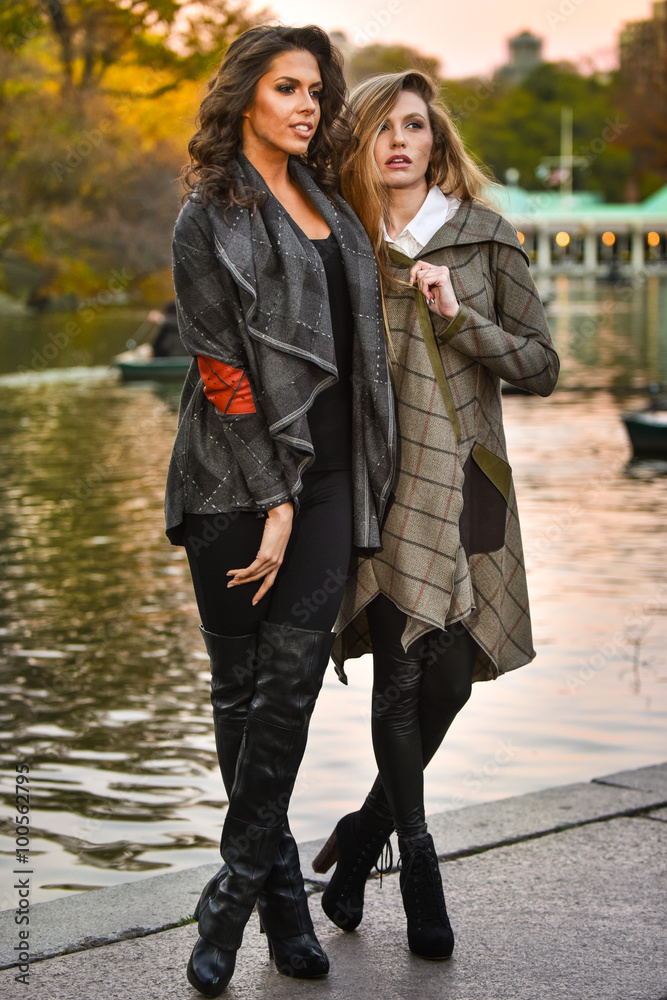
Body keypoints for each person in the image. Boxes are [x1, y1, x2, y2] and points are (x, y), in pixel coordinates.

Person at [164, 26, 395, 996]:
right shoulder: (205, 218)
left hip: (333, 476)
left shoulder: (335, 210)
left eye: (315, 89)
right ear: (244, 98)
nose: (306, 104)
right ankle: (286, 905)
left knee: (288, 693)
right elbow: (220, 369)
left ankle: (231, 895)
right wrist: (270, 498)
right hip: (229, 479)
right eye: (285, 87)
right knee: (239, 695)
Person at [312, 70, 559, 961]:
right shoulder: (338, 244)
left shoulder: (484, 237)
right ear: (360, 146)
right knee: (401, 678)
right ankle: (417, 862)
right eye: (381, 127)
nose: (398, 142)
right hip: (376, 487)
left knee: (448, 683)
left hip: (471, 485)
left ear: (435, 138)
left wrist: (460, 321)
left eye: (413, 125)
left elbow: (540, 366)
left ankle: (361, 837)